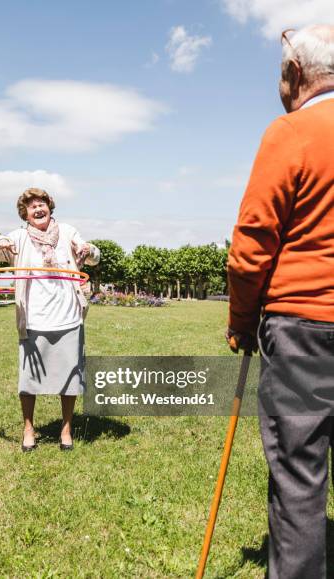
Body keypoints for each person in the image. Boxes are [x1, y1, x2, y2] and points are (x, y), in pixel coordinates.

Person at [226, 25, 334, 579]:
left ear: (295, 74)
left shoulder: (291, 131)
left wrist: (242, 321)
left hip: (304, 327)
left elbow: (252, 244)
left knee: (299, 474)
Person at [0, 188, 100, 452]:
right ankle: (28, 429)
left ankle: (66, 429)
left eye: (42, 203)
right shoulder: (18, 238)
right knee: (29, 379)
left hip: (68, 316)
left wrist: (88, 249)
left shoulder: (67, 232)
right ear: (25, 213)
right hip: (34, 318)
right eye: (31, 206)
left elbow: (93, 258)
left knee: (70, 378)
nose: (37, 208)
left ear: (50, 207)